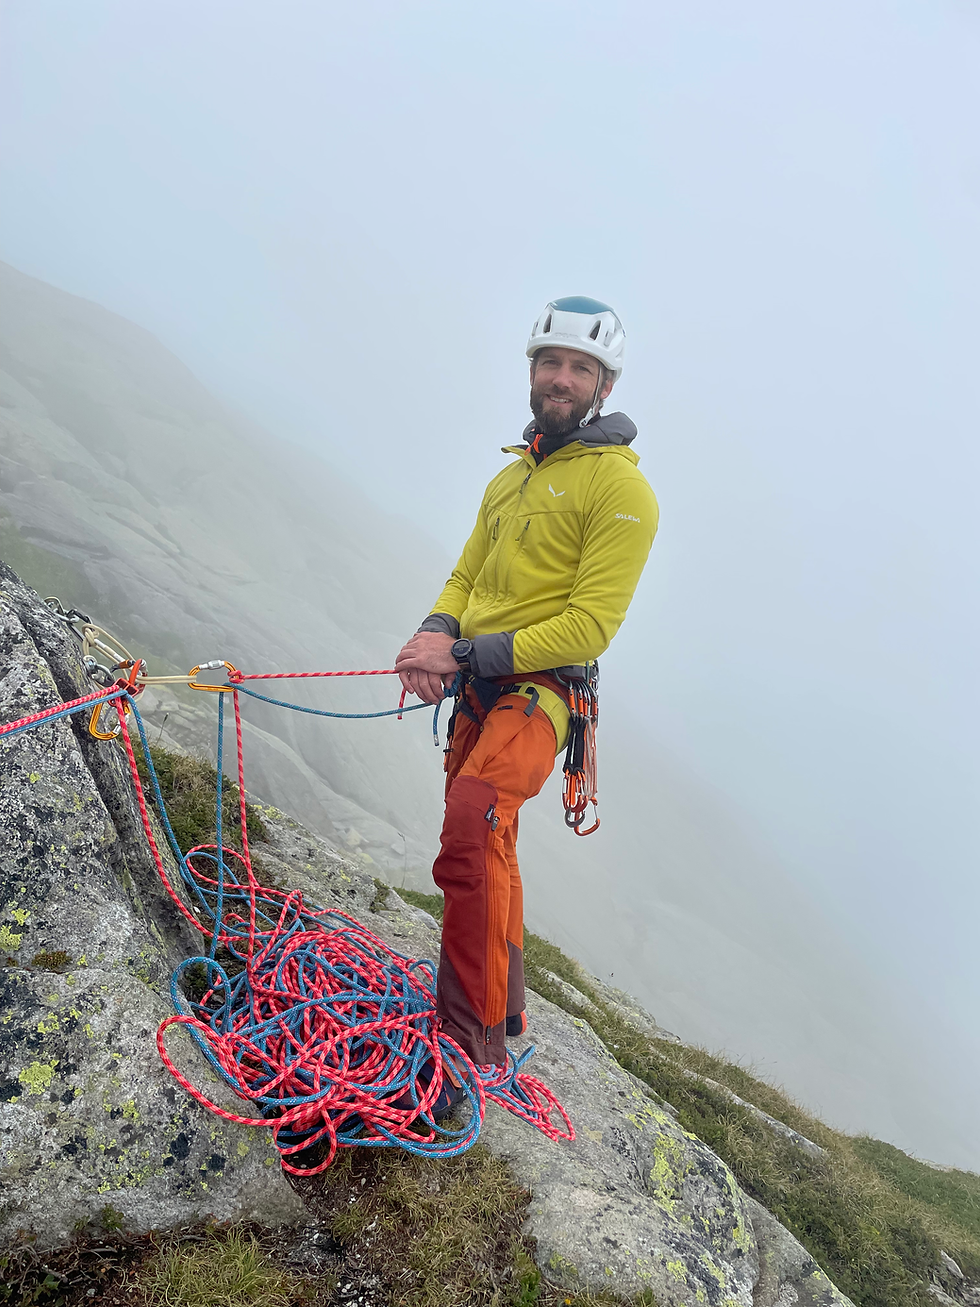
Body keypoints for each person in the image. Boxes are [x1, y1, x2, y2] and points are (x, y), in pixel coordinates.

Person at [395, 296, 658, 1110]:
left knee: (471, 821)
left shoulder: (621, 491)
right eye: (551, 361)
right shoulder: (510, 477)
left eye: (581, 367)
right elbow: (467, 576)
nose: (561, 377)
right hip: (479, 689)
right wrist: (430, 635)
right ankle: (501, 1015)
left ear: (604, 383)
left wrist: (463, 651)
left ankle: (465, 1040)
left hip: (541, 696)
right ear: (533, 368)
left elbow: (588, 624)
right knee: (490, 843)